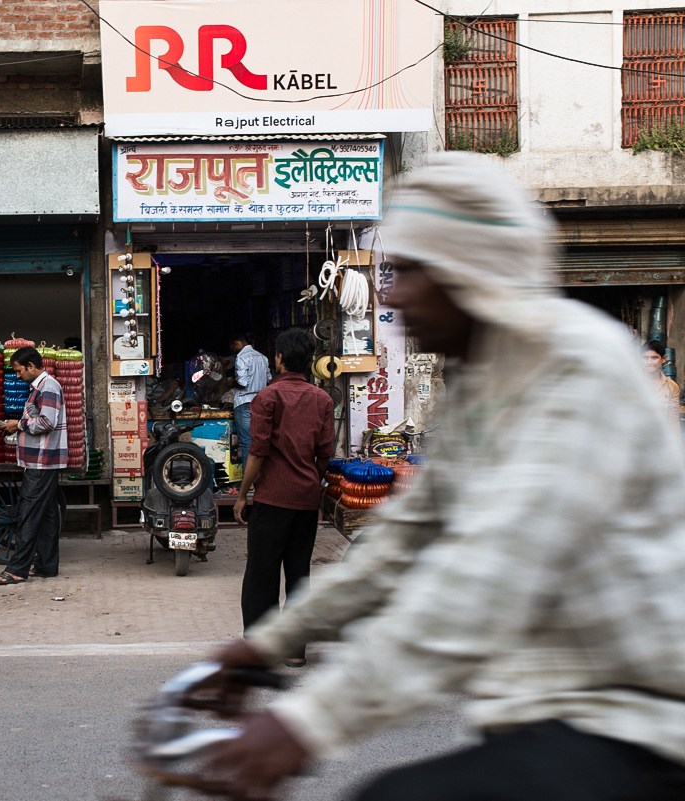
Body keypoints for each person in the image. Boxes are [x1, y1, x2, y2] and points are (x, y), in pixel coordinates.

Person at [205, 154, 685, 800]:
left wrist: (309, 722)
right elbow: (401, 542)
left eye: (407, 272)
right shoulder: (478, 381)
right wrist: (269, 642)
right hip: (541, 719)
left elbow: (477, 579)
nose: (392, 294)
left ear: (463, 272)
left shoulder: (576, 367)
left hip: (632, 726)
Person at [233, 328, 333, 663]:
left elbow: (258, 451)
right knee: (299, 574)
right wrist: (311, 482)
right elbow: (324, 455)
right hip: (305, 500)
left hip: (272, 499)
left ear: (279, 359)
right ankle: (294, 651)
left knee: (261, 574)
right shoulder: (322, 400)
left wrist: (243, 494)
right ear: (309, 362)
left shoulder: (268, 398)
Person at [0, 346, 67, 585]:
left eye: (19, 370)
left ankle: (17, 569)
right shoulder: (38, 388)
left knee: (29, 514)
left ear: (31, 366)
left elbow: (47, 422)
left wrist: (18, 424)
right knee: (47, 515)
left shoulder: (48, 387)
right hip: (40, 460)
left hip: (42, 462)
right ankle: (46, 566)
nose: (18, 375)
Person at [229, 333, 271, 468]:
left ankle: (249, 481)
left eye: (232, 347)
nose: (233, 351)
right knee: (260, 441)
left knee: (247, 443)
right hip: (261, 403)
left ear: (237, 344)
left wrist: (231, 383)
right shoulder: (263, 357)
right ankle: (261, 478)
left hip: (244, 403)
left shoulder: (241, 357)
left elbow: (242, 382)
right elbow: (269, 379)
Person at [642, 339, 679, 427]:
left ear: (664, 359)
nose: (649, 362)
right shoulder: (630, 381)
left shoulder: (672, 387)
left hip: (659, 438)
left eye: (654, 358)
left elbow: (673, 421)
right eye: (645, 358)